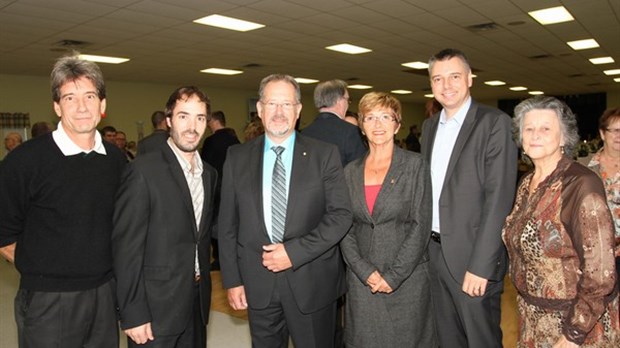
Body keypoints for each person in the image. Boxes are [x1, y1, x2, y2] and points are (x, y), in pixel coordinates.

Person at [218, 74, 353, 348]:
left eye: (287, 105)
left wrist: (293, 252)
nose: (279, 112)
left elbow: (340, 216)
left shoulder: (325, 155)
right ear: (259, 109)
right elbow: (227, 225)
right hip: (258, 285)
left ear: (299, 110)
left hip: (312, 284)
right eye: (271, 104)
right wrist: (232, 280)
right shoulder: (236, 157)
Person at [0, 56, 125, 347]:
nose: (81, 107)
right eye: (70, 97)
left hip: (105, 295)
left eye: (89, 96)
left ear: (102, 105)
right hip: (48, 300)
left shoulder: (117, 161)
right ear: (57, 106)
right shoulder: (24, 161)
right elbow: (4, 233)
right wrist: (45, 270)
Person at [420, 48, 518, 347]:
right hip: (434, 254)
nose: (446, 85)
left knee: (480, 340)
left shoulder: (495, 123)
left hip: (472, 258)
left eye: (454, 76)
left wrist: (481, 265)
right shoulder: (430, 126)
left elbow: (499, 199)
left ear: (470, 79)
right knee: (446, 339)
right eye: (438, 78)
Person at [503, 96, 619, 347]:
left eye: (545, 129)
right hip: (532, 318)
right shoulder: (526, 183)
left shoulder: (580, 184)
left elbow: (600, 272)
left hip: (574, 325)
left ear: (564, 138)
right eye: (529, 128)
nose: (535, 135)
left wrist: (573, 333)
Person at [113, 86, 217, 347]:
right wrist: (133, 312)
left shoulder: (209, 174)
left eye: (200, 118)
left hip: (196, 300)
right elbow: (126, 248)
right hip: (155, 307)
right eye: (184, 116)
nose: (192, 126)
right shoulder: (143, 171)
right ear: (169, 120)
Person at [340, 92, 435, 347]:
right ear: (361, 125)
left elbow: (420, 225)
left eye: (386, 117)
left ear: (397, 124)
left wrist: (393, 276)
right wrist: (364, 271)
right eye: (370, 118)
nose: (378, 125)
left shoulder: (416, 166)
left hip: (407, 280)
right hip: (363, 282)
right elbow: (344, 228)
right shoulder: (349, 172)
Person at [200, 110, 240, 270]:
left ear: (212, 121)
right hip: (233, 187)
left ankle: (218, 257)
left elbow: (204, 166)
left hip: (216, 188)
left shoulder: (210, 141)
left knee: (216, 223)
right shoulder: (235, 140)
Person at [588, 107, 620, 287]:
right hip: (596, 255)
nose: (619, 136)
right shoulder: (584, 170)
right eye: (615, 130)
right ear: (602, 133)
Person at [302, 79, 366, 166]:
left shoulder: (305, 133)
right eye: (347, 100)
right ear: (339, 101)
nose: (348, 104)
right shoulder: (350, 132)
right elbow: (359, 169)